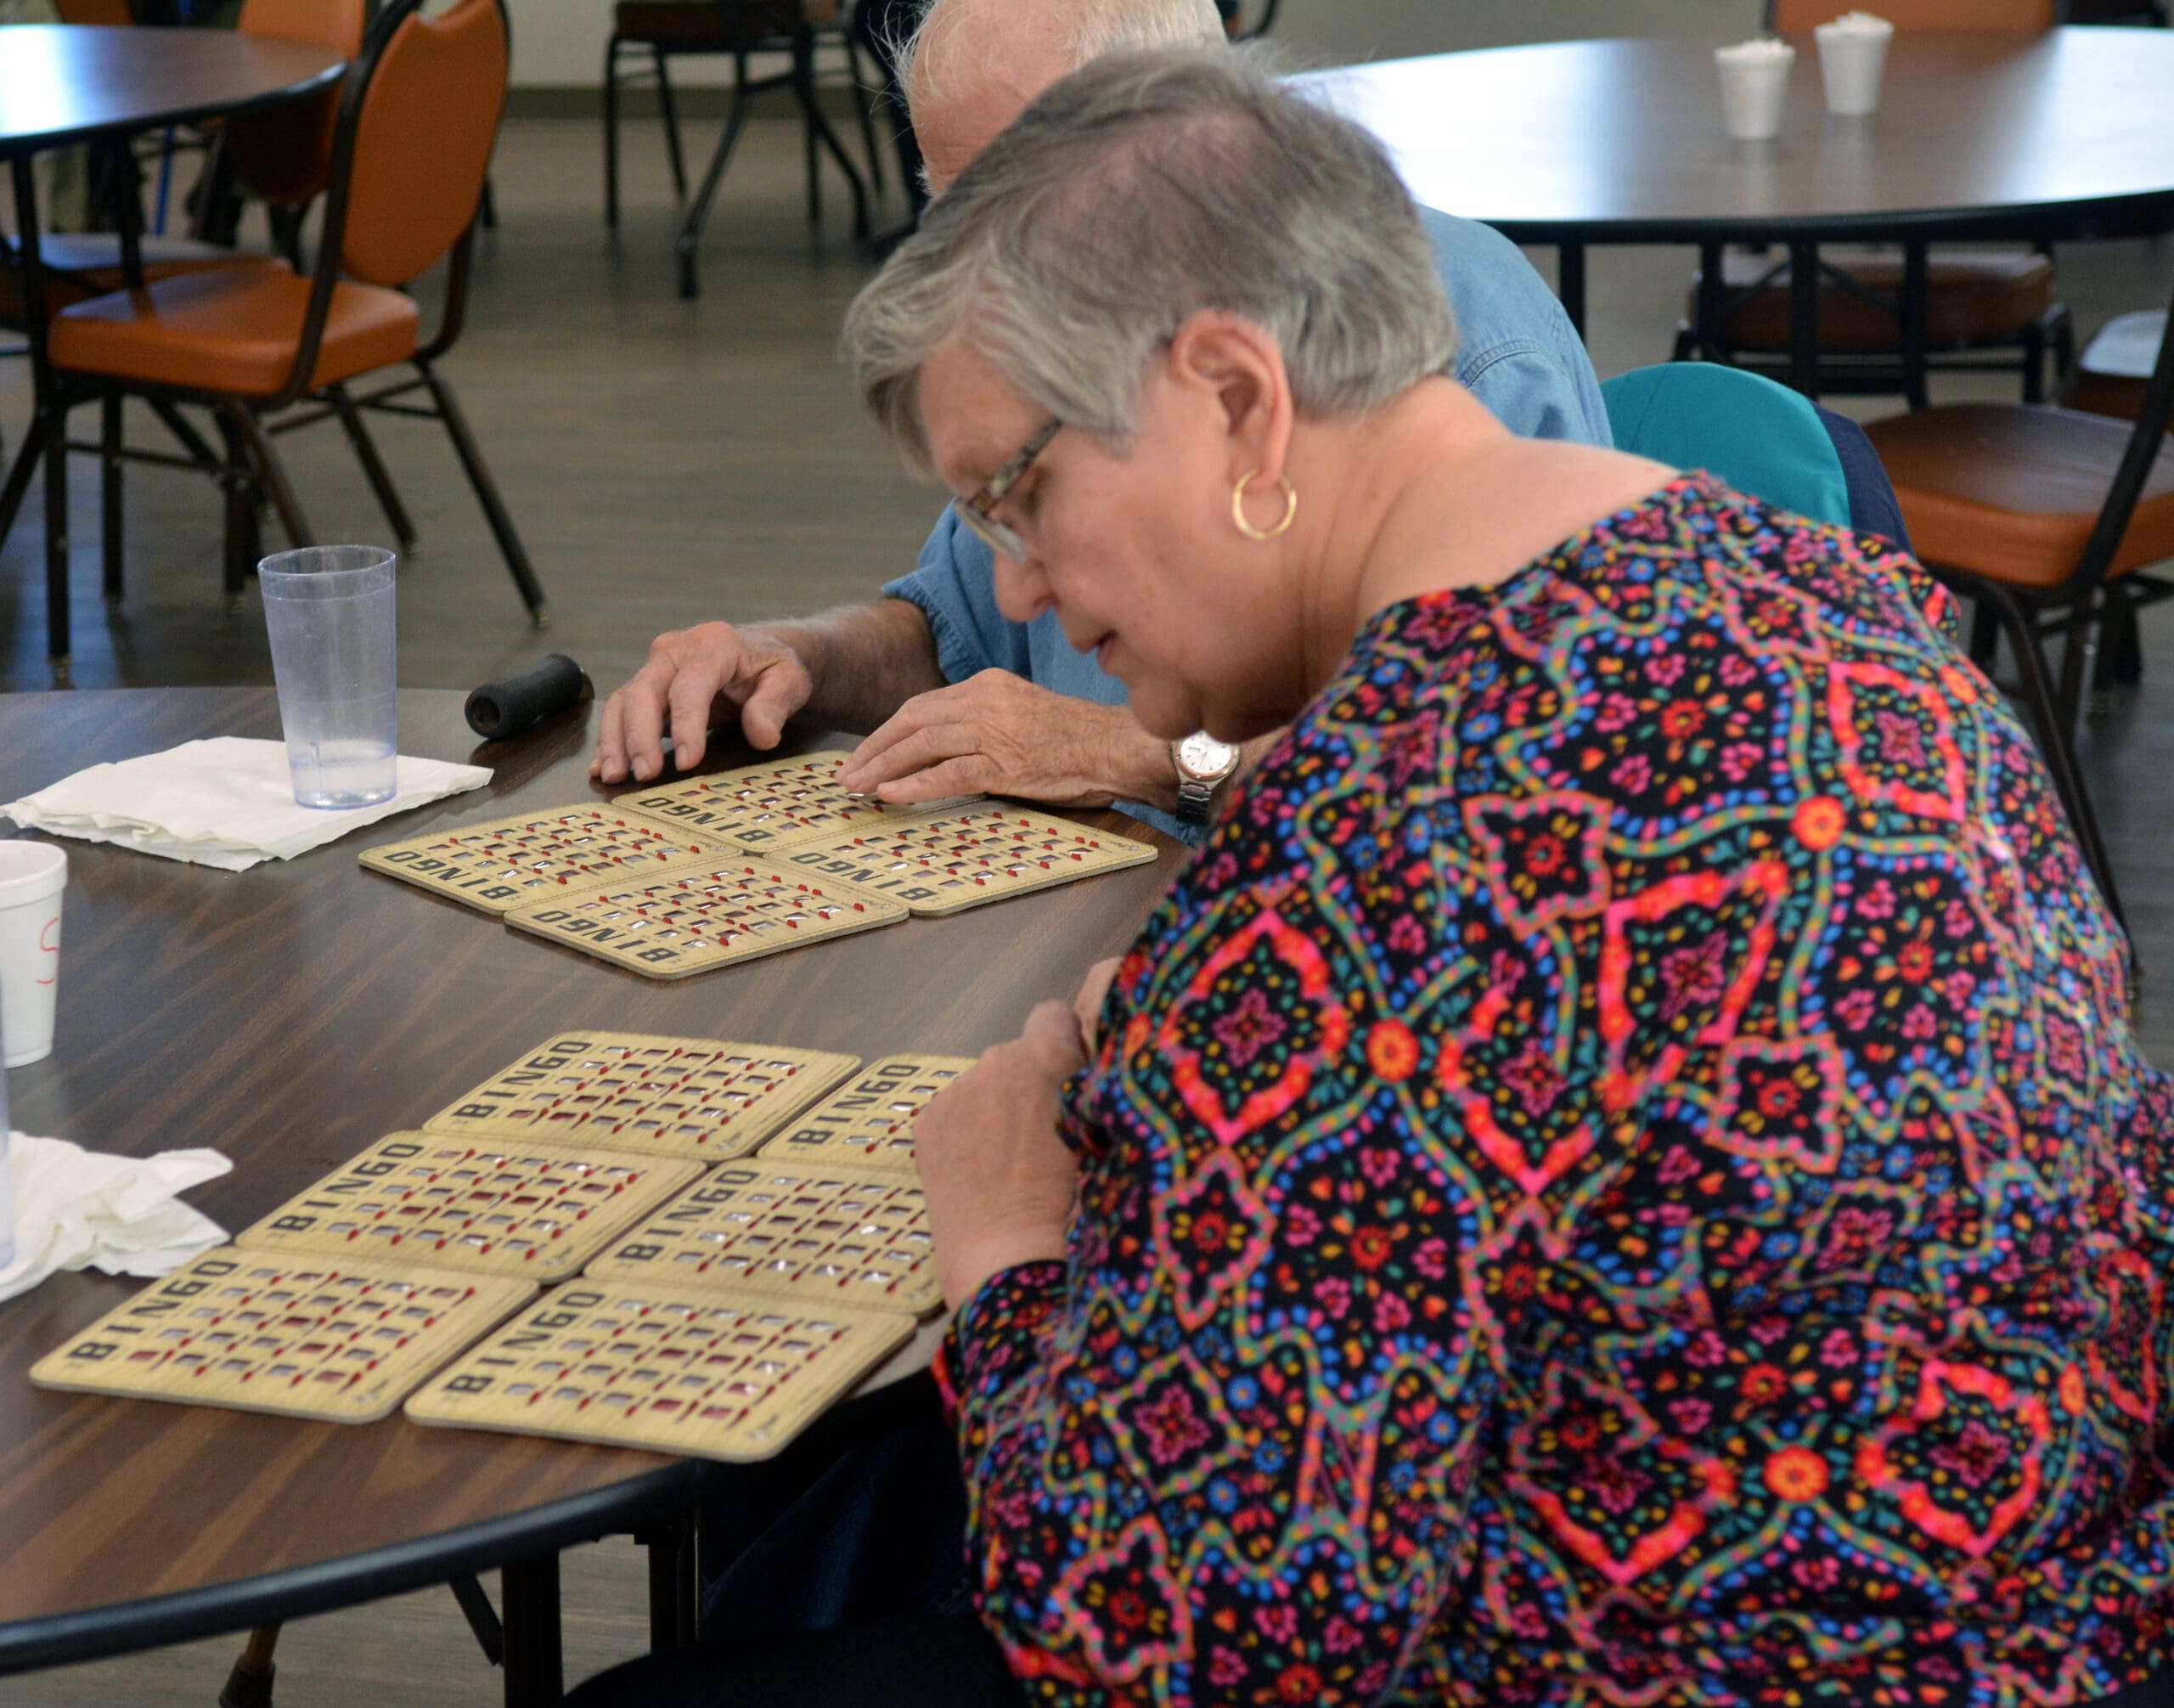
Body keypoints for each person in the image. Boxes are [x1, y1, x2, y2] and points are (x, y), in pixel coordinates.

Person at [574, 46, 2174, 1708]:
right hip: (2049, 1597)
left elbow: (1183, 1634)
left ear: (1238, 400)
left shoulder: (1367, 845)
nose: (1023, 579)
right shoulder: (1828, 599)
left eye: (1020, 491)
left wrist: (1006, 1251)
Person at [589, 0, 1610, 843]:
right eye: (950, 212)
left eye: (1019, 214)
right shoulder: (1049, 364)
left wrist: (1136, 756)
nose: (974, 269)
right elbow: (964, 625)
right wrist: (802, 658)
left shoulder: (1462, 363)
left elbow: (1434, 763)